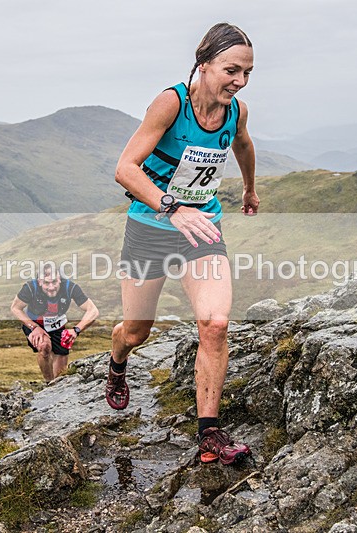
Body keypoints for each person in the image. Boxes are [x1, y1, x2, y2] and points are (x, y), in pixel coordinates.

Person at [109, 22, 258, 465]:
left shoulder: (236, 111)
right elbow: (125, 169)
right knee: (136, 331)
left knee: (215, 323)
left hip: (202, 228)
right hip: (150, 229)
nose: (240, 81)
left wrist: (249, 189)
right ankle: (117, 363)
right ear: (204, 64)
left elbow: (243, 145)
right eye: (232, 70)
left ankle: (209, 433)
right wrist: (173, 208)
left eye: (247, 73)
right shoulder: (171, 103)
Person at [10, 263, 99, 382]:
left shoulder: (69, 287)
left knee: (60, 376)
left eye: (54, 282)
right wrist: (34, 327)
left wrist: (76, 330)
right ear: (39, 282)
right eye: (46, 283)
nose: (51, 287)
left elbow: (93, 310)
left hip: (58, 326)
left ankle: (56, 386)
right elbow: (15, 308)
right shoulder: (30, 288)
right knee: (44, 347)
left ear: (59, 279)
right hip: (35, 325)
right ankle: (48, 383)